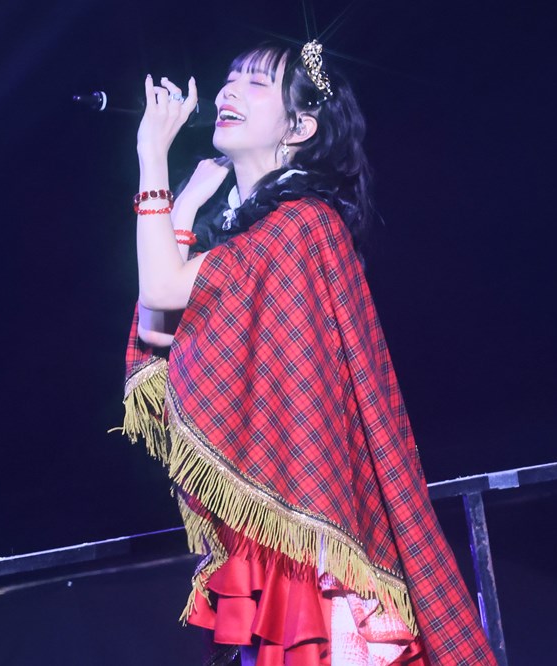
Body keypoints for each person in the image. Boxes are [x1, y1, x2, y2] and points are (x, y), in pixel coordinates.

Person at [118, 40, 497, 666]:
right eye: (231, 77)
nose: (228, 91)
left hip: (315, 531)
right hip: (281, 529)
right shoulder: (254, 234)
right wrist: (183, 205)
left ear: (299, 128)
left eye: (256, 83)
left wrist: (152, 157)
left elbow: (161, 293)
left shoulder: (301, 226)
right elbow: (160, 330)